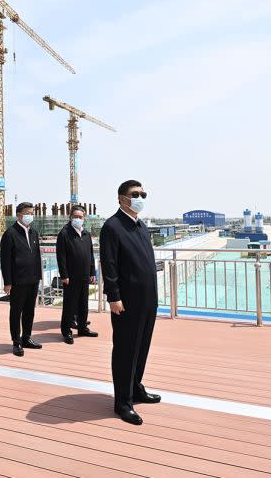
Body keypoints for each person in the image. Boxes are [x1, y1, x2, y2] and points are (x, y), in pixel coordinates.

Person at [99, 180, 161, 426]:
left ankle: (136, 388)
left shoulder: (141, 226)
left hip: (148, 301)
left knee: (142, 347)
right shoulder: (112, 227)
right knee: (126, 350)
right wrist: (113, 296)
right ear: (121, 198)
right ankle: (123, 402)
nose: (140, 197)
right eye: (135, 194)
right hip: (126, 302)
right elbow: (109, 264)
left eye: (143, 193)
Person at [0, 201, 43, 357]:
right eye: (27, 213)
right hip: (18, 281)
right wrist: (7, 282)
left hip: (33, 279)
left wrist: (39, 276)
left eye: (32, 213)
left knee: (30, 311)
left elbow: (37, 256)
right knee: (16, 312)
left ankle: (27, 338)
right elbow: (5, 260)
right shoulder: (10, 233)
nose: (30, 216)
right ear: (19, 215)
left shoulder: (34, 233)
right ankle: (16, 342)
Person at [56, 204, 98, 344]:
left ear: (84, 218)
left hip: (85, 275)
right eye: (75, 217)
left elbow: (91, 254)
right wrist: (64, 275)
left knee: (83, 303)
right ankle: (66, 331)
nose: (78, 219)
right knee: (70, 305)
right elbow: (61, 257)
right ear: (70, 217)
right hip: (71, 277)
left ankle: (82, 328)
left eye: (80, 217)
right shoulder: (64, 233)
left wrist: (92, 271)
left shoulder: (85, 234)